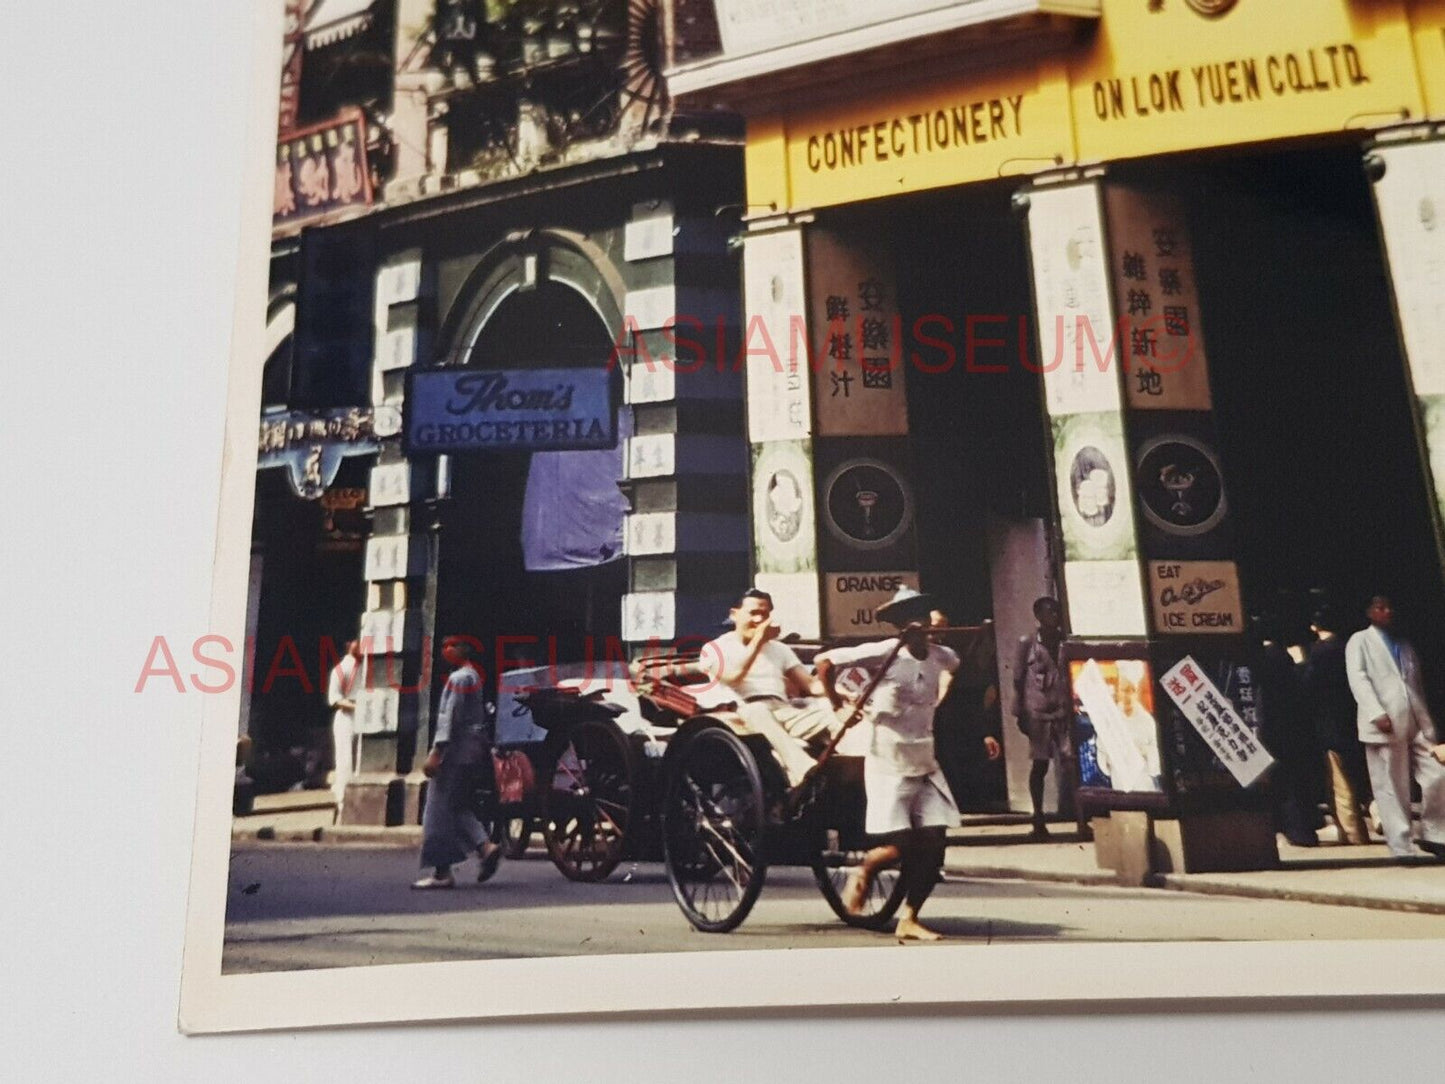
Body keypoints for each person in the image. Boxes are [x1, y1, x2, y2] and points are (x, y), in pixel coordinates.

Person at [815, 587, 960, 942]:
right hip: (888, 761)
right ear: (897, 626)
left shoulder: (942, 655)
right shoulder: (882, 653)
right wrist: (837, 703)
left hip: (925, 759)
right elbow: (825, 663)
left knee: (935, 843)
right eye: (906, 619)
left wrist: (942, 693)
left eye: (921, 618)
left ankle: (909, 917)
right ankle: (865, 868)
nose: (917, 625)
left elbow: (955, 665)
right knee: (903, 845)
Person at [693, 588, 844, 788]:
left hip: (782, 709)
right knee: (757, 710)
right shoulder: (715, 648)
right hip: (740, 713)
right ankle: (803, 770)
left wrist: (841, 692)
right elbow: (733, 677)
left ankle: (857, 764)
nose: (759, 620)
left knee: (829, 709)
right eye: (753, 613)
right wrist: (758, 641)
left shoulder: (780, 649)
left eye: (764, 615)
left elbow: (811, 686)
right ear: (734, 614)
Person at [1344, 594, 1445, 859]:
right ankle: (1400, 844)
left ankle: (1434, 833)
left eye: (1389, 606)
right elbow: (1359, 679)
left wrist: (1428, 726)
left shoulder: (1404, 645)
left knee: (1437, 773)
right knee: (1391, 784)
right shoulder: (1360, 641)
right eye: (1380, 607)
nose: (1387, 611)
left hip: (1415, 719)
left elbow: (1415, 686)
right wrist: (1376, 712)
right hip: (1383, 721)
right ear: (1369, 612)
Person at [413, 636, 503, 888]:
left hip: (455, 752)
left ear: (464, 649)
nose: (445, 651)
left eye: (450, 646)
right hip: (473, 751)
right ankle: (486, 847)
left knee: (437, 809)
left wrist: (437, 752)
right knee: (457, 806)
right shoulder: (474, 677)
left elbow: (448, 719)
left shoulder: (459, 679)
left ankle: (442, 873)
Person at [1305, 604, 1372, 845]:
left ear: (1315, 627)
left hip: (1329, 724)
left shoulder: (1318, 653)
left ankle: (1354, 834)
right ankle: (1376, 813)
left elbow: (1309, 687)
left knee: (1340, 783)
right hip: (1355, 718)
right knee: (1360, 773)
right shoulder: (1349, 647)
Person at [1013, 597, 1075, 840]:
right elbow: (1017, 679)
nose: (1054, 617)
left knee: (1071, 763)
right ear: (1038, 615)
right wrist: (1019, 712)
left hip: (1063, 710)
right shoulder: (1027, 643)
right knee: (1040, 765)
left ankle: (1081, 819)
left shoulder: (1064, 642)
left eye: (1056, 612)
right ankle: (1038, 818)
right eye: (1049, 613)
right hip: (1038, 712)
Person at [326, 639, 362, 815]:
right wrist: (358, 707)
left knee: (360, 758)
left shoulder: (368, 666)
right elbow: (335, 699)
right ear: (348, 645)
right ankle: (342, 800)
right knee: (345, 759)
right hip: (346, 717)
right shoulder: (340, 670)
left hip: (363, 717)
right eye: (355, 642)